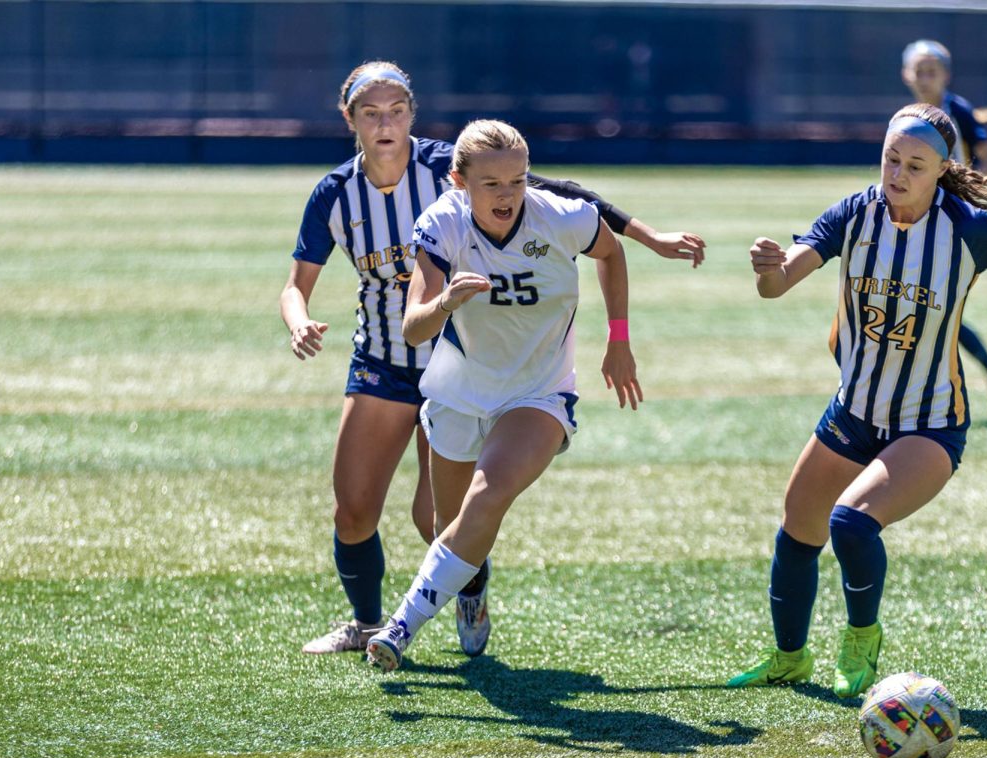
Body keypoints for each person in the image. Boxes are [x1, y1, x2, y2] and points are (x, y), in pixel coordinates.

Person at [281, 62, 704, 657]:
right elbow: (304, 285)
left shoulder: (470, 167)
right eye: (371, 113)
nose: (386, 124)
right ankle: (367, 623)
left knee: (444, 518)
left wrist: (647, 242)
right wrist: (301, 319)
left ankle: (442, 603)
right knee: (354, 512)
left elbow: (570, 200)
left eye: (397, 110)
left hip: (495, 368)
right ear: (349, 119)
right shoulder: (343, 194)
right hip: (396, 361)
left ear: (413, 115)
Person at [728, 103, 987, 698]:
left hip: (930, 424)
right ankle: (789, 657)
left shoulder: (969, 228)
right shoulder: (855, 213)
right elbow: (780, 282)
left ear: (942, 170)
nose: (896, 174)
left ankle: (862, 642)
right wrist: (767, 269)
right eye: (891, 158)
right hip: (854, 410)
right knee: (797, 530)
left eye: (915, 165)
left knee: (851, 523)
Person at [365, 119, 642, 672]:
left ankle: (400, 626)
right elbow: (414, 329)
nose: (508, 195)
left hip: (538, 393)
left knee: (485, 498)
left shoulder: (562, 216)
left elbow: (610, 254)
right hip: (460, 390)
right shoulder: (441, 224)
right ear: (459, 181)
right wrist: (446, 301)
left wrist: (618, 338)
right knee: (444, 526)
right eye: (491, 184)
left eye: (517, 180)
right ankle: (471, 585)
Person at [902, 39, 987, 409]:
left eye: (932, 70)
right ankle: (984, 369)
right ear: (907, 75)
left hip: (951, 220)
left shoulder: (956, 109)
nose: (925, 77)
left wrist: (973, 191)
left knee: (932, 307)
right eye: (919, 70)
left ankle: (940, 393)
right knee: (928, 306)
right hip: (915, 218)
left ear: (945, 75)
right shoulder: (908, 116)